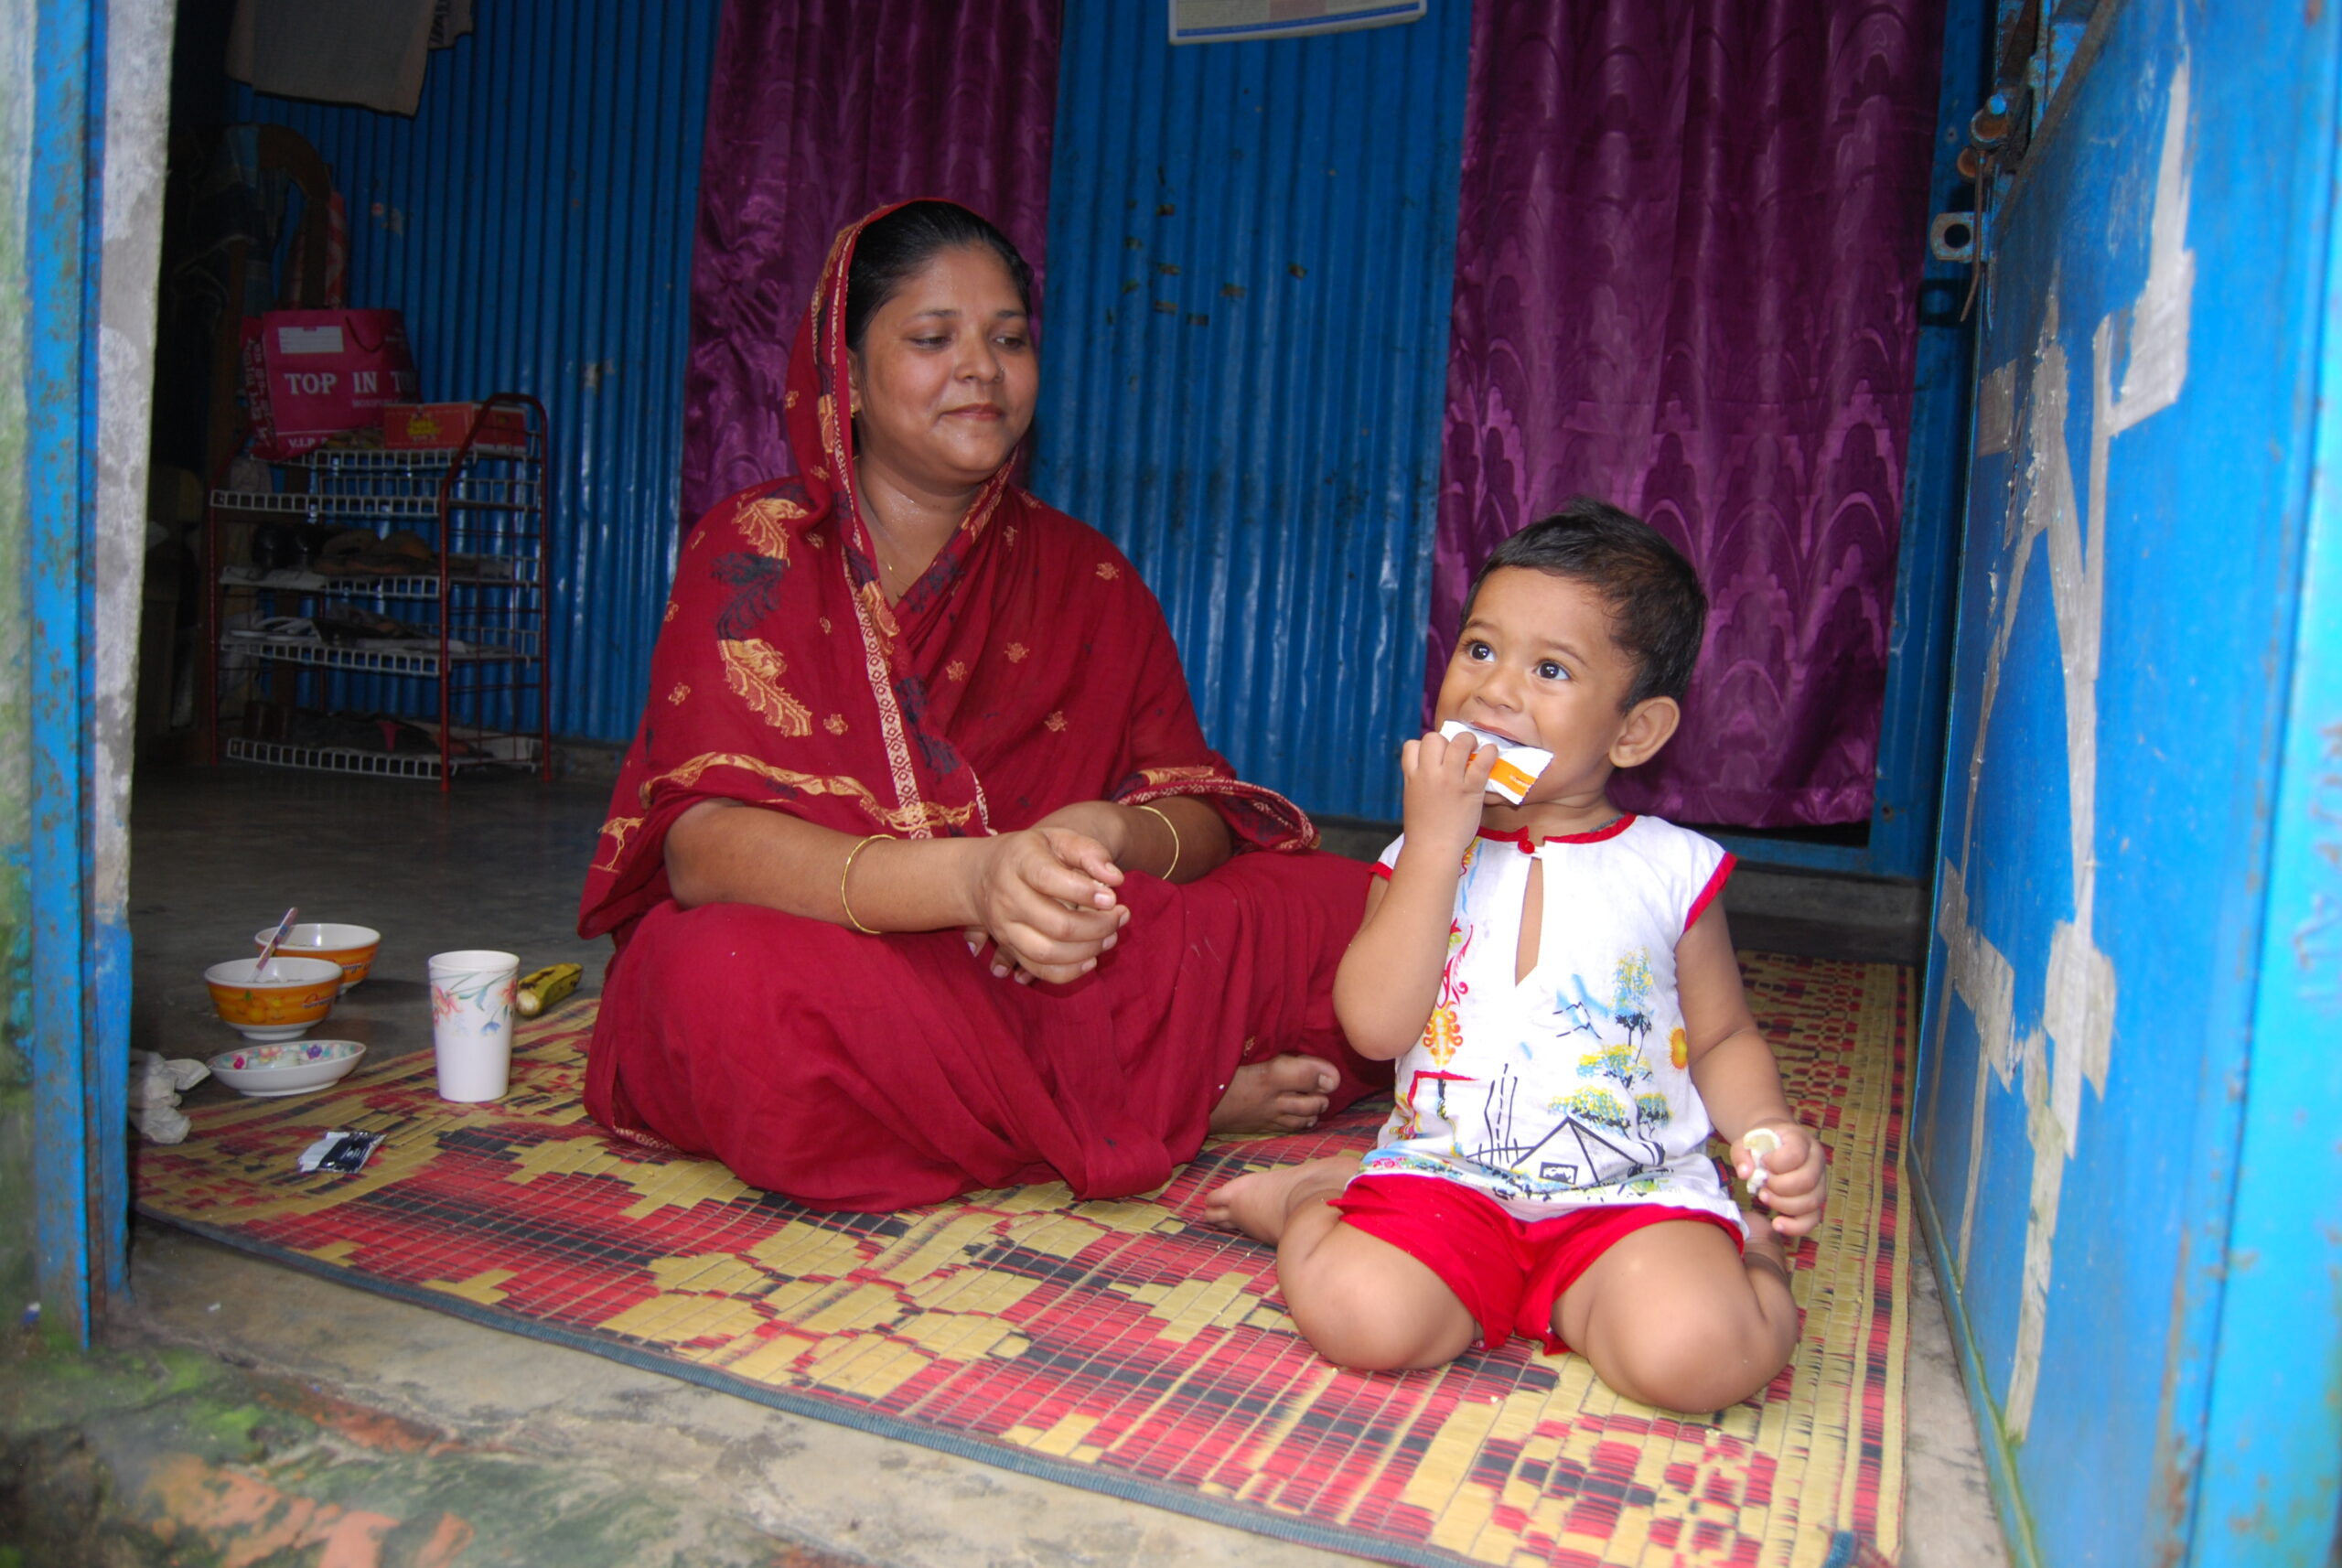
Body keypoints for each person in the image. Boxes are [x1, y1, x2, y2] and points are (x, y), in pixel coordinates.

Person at [577, 199, 1386, 1210]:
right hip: (853, 953)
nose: (981, 367)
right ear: (851, 378)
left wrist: (1104, 836)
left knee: (1365, 912)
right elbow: (698, 850)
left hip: (1065, 960)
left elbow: (1200, 810)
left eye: (1008, 339)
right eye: (931, 338)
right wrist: (972, 879)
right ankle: (1163, 1099)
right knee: (721, 984)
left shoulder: (1084, 572)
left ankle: (1082, 1097)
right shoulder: (756, 549)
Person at [1205, 502, 1827, 1412]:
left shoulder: (1670, 869)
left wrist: (1764, 1131)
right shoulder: (1414, 859)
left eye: (1549, 669)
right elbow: (1374, 1028)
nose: (1493, 691)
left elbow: (1724, 1034)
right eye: (1479, 650)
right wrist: (1431, 847)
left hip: (1630, 1195)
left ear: (1634, 732)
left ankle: (1754, 1253)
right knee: (1359, 1315)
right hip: (1448, 1182)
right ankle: (1312, 1200)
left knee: (1697, 1356)